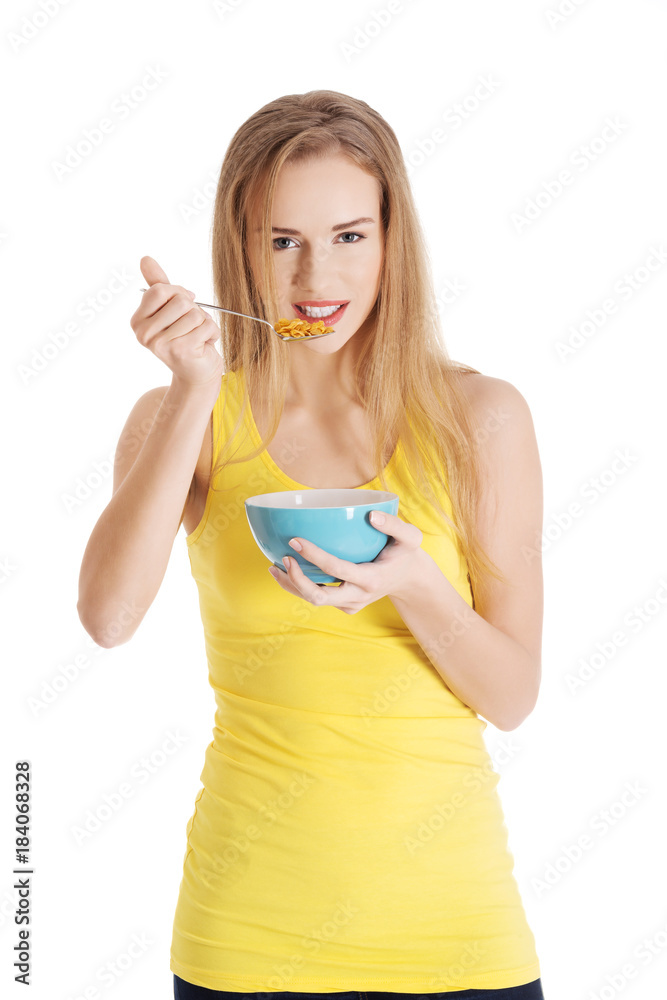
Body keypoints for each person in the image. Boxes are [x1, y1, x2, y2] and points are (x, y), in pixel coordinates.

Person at [77, 90, 546, 1000]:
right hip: (243, 939)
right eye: (281, 240)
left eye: (348, 236)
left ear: (391, 239)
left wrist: (416, 586)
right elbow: (107, 617)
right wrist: (191, 390)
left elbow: (513, 697)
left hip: (458, 938)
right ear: (239, 248)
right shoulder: (189, 419)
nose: (313, 278)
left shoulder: (480, 418)